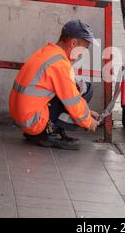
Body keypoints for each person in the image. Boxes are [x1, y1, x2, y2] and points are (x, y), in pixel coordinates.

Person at [9, 20, 100, 150]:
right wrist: (88, 121)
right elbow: (72, 100)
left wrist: (88, 112)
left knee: (72, 89)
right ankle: (50, 133)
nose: (81, 55)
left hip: (22, 118)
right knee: (86, 90)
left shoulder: (47, 52)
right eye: (82, 50)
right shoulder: (60, 64)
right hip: (33, 121)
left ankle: (39, 133)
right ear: (73, 43)